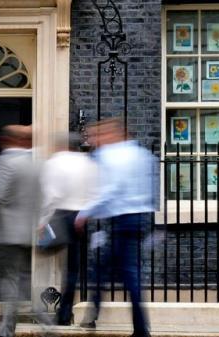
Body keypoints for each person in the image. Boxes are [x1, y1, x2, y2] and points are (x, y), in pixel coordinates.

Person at [75, 118, 154, 337]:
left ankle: (99, 319)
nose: (93, 141)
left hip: (122, 221)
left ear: (111, 134)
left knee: (121, 274)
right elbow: (149, 189)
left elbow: (110, 190)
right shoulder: (142, 154)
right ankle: (96, 315)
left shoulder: (112, 155)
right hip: (138, 219)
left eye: (96, 136)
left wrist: (85, 213)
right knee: (113, 271)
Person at [0, 125, 50, 337]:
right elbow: (43, 198)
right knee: (18, 281)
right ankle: (22, 325)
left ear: (9, 140)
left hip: (5, 232)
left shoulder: (4, 162)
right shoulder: (37, 165)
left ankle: (21, 326)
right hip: (27, 233)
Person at [38, 133, 99, 325]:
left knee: (46, 254)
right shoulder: (88, 163)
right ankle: (65, 314)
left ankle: (57, 312)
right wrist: (85, 215)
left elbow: (50, 196)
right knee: (74, 268)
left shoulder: (54, 162)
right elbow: (95, 194)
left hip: (61, 215)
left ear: (62, 145)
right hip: (81, 217)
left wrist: (42, 221)